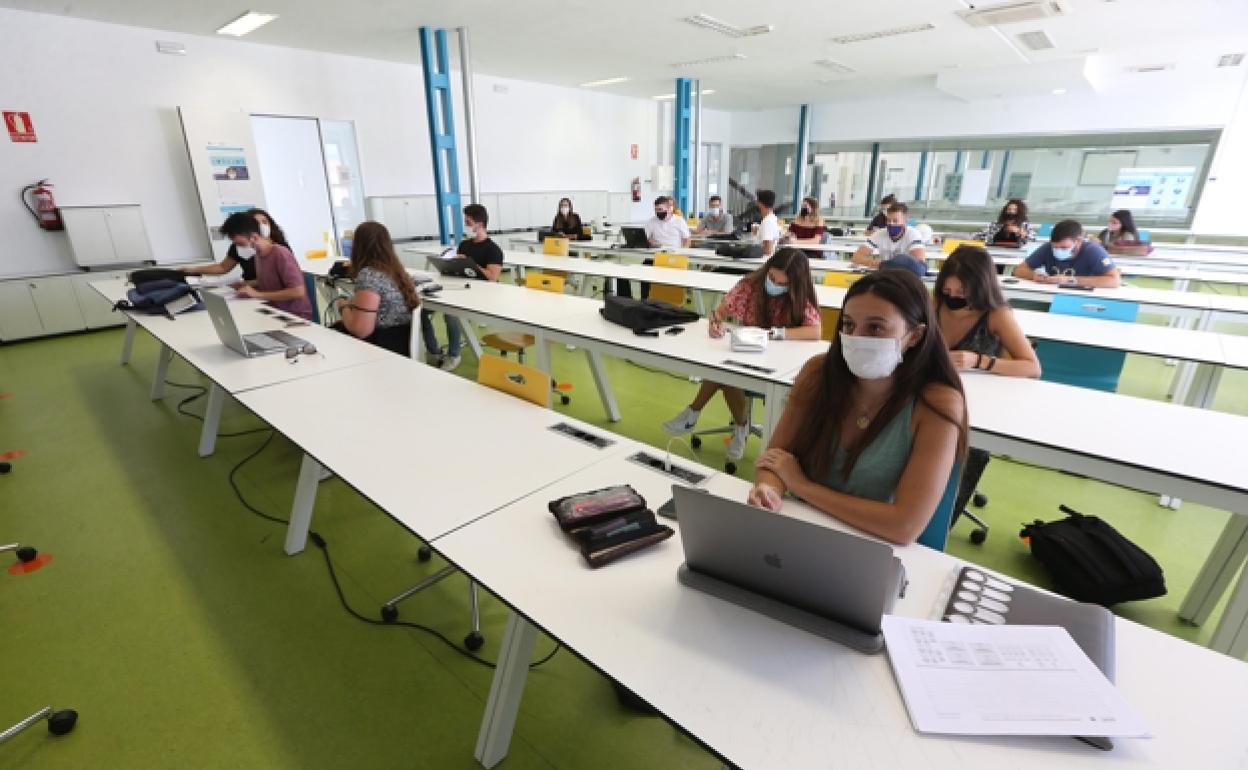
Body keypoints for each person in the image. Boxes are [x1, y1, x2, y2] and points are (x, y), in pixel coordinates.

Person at [747, 270, 968, 546]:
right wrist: (769, 489)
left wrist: (801, 486)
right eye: (849, 325)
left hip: (872, 545)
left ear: (914, 335)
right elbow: (775, 460)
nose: (857, 337)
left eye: (875, 327)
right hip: (800, 531)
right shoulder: (818, 373)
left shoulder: (937, 402)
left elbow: (904, 526)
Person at [662, 248, 822, 461]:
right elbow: (720, 311)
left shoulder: (800, 296)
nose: (774, 285)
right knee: (726, 371)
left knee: (725, 373)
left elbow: (815, 331)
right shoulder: (750, 285)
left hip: (780, 364)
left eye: (782, 284)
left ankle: (699, 414)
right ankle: (738, 426)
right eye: (772, 277)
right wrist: (715, 324)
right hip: (748, 353)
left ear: (795, 284)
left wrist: (778, 334)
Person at [935, 245, 1040, 378]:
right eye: (946, 290)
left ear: (981, 289)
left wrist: (978, 361)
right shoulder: (935, 303)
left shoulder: (997, 314)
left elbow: (1033, 368)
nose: (952, 297)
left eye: (961, 292)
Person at [421, 203, 504, 370]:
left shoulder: (493, 250)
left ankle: (454, 354)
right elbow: (458, 271)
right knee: (421, 311)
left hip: (480, 295)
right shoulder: (465, 245)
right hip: (459, 288)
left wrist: (470, 263)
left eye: (468, 221)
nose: (465, 225)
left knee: (451, 315)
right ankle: (433, 351)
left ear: (479, 224)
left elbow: (493, 277)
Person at [331, 221, 419, 356]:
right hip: (400, 345)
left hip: (381, 349)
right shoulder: (397, 272)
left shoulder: (369, 275)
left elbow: (361, 330)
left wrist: (344, 307)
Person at [219, 211, 312, 320]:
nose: (238, 248)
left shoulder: (280, 253)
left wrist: (257, 294)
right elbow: (271, 281)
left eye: (240, 244)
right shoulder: (258, 255)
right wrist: (246, 285)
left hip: (294, 316)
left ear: (254, 237)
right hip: (274, 311)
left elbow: (298, 291)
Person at [182, 208, 288, 282]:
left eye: (264, 222)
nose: (261, 226)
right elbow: (223, 267)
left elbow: (276, 282)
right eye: (257, 222)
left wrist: (246, 285)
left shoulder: (279, 250)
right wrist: (192, 269)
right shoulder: (239, 246)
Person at [1013, 219, 1121, 288]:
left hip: (1084, 298)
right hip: (1053, 294)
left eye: (1064, 247)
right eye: (1055, 246)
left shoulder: (1093, 251)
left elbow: (1114, 281)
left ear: (1078, 241)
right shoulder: (1047, 248)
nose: (1058, 250)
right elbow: (1019, 270)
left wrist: (1071, 280)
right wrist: (1034, 276)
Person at [852, 202, 927, 277]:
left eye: (895, 221)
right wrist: (877, 264)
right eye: (888, 220)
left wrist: (884, 265)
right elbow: (856, 257)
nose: (891, 224)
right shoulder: (879, 234)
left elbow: (919, 265)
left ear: (904, 221)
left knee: (901, 258)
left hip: (905, 278)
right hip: (885, 275)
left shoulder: (913, 234)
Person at [754, 189, 781, 257]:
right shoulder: (772, 218)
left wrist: (751, 249)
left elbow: (768, 249)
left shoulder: (767, 222)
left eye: (757, 201)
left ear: (759, 203)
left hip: (762, 260)